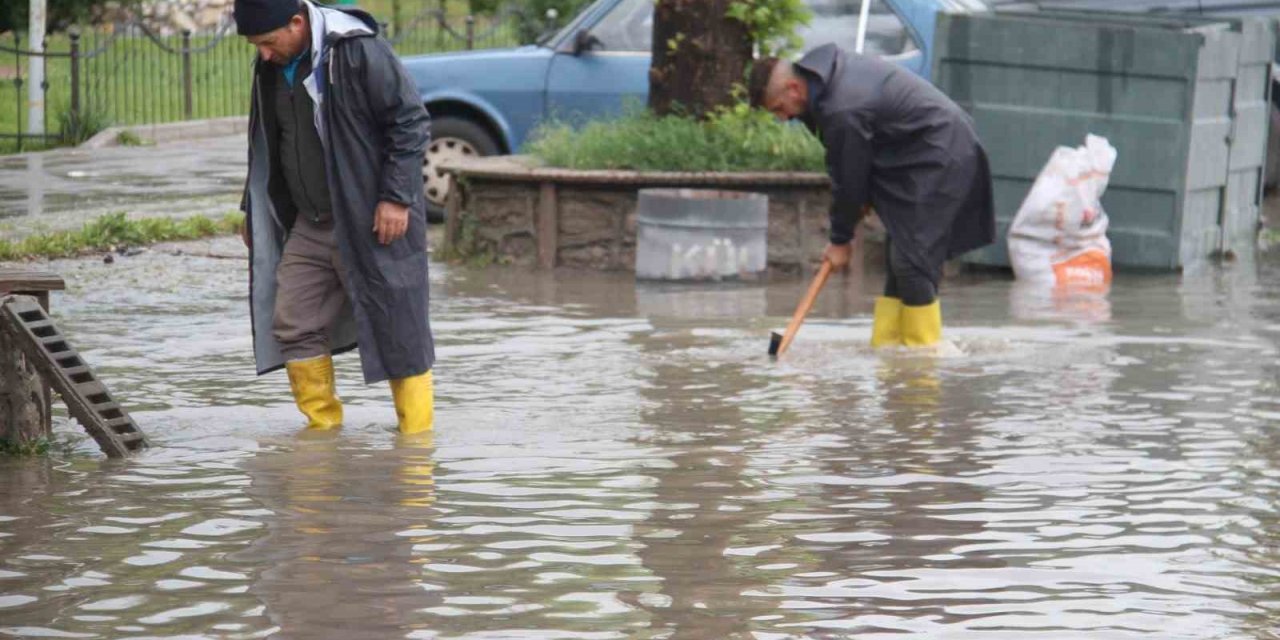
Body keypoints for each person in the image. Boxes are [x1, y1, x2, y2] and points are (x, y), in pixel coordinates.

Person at [235, 0, 434, 432]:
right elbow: (267, 143)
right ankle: (323, 441)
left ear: (296, 23)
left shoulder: (356, 49)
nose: (263, 53)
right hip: (310, 222)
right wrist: (253, 207)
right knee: (293, 322)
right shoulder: (272, 65)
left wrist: (397, 198)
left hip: (371, 219)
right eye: (256, 46)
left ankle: (416, 450)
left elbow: (410, 122)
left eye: (268, 42)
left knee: (398, 330)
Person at [749, 44, 995, 347]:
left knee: (911, 260)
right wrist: (855, 209)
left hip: (941, 152)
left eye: (778, 108)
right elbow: (848, 162)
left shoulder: (842, 108)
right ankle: (889, 349)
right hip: (913, 154)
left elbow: (849, 176)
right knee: (900, 258)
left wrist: (840, 240)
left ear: (793, 88)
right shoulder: (823, 84)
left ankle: (923, 355)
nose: (782, 118)